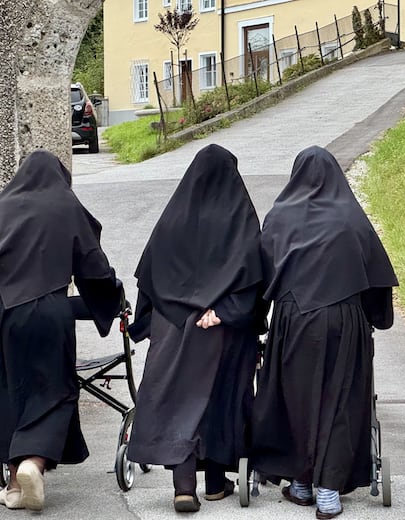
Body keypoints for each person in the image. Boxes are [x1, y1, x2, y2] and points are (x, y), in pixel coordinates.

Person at [0, 150, 121, 511]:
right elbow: (92, 267)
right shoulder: (63, 204)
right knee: (52, 390)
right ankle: (31, 464)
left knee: (4, 390)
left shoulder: (2, 205)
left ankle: (15, 487)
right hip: (38, 309)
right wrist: (111, 298)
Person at [250, 145, 398, 519]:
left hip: (294, 319)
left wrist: (258, 318)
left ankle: (300, 483)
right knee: (339, 399)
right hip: (343, 319)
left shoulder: (279, 216)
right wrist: (377, 318)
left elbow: (261, 273)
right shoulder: (351, 218)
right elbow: (377, 278)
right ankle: (329, 490)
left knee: (295, 397)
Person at [126, 144, 266, 513]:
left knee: (178, 401)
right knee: (222, 398)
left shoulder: (173, 218)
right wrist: (225, 311)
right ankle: (217, 483)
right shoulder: (241, 218)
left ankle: (184, 486)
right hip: (223, 329)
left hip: (173, 325)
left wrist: (148, 324)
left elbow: (149, 274)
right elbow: (255, 278)